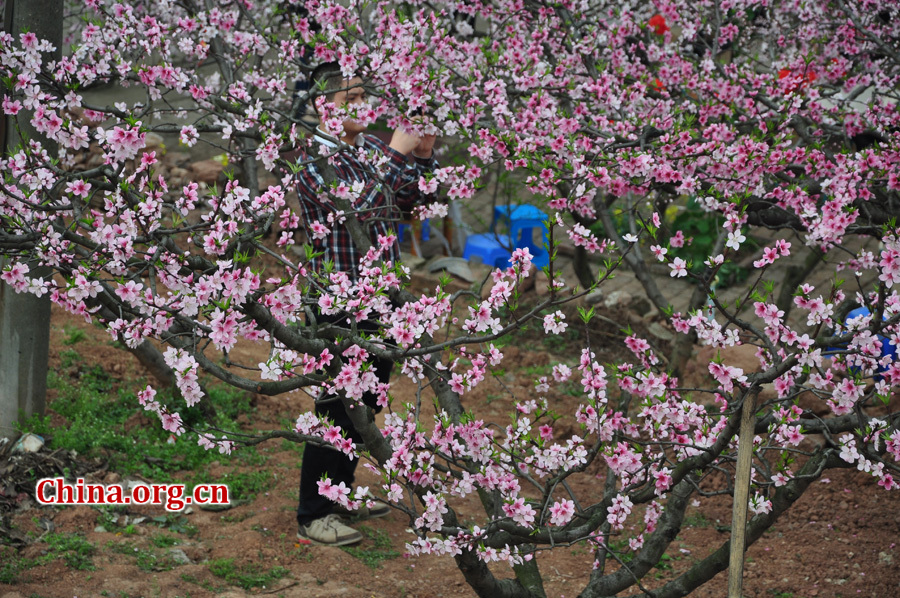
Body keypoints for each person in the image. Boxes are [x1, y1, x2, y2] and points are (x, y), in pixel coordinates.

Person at [293, 62, 437, 546]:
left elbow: (408, 206)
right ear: (323, 107)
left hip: (382, 293)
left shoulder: (373, 149)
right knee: (337, 404)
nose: (362, 107)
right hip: (339, 302)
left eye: (364, 96)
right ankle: (314, 514)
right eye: (350, 99)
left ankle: (342, 498)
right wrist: (397, 155)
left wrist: (421, 157)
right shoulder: (314, 162)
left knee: (369, 401)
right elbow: (363, 209)